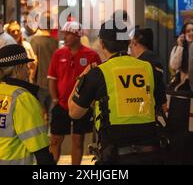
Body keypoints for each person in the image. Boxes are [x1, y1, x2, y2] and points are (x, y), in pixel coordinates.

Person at [68, 19, 167, 165]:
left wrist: (82, 77)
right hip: (150, 153)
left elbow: (74, 112)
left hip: (115, 156)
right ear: (128, 42)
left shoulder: (98, 73)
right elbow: (163, 107)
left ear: (102, 44)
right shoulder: (149, 68)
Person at [0, 44, 55, 165]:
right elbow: (41, 151)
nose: (28, 70)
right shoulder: (23, 98)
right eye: (27, 66)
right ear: (19, 68)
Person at [47, 21, 101, 165]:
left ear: (77, 36)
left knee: (78, 141)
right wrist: (55, 99)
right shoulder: (58, 54)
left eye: (68, 34)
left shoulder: (91, 55)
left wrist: (91, 102)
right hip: (62, 105)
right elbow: (52, 78)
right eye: (64, 34)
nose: (65, 37)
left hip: (81, 105)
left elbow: (98, 80)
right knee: (55, 140)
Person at [129, 27, 167, 113]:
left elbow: (158, 84)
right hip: (142, 108)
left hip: (146, 109)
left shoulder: (147, 60)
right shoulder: (151, 58)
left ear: (134, 41)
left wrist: (162, 103)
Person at [30, 14, 59, 122]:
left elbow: (33, 62)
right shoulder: (55, 42)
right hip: (53, 83)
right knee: (52, 115)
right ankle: (51, 137)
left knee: (40, 115)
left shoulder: (35, 41)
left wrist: (31, 79)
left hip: (39, 83)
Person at [169, 21, 193, 92]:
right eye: (188, 31)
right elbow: (174, 66)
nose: (191, 33)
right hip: (183, 88)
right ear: (183, 34)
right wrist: (180, 46)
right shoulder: (177, 48)